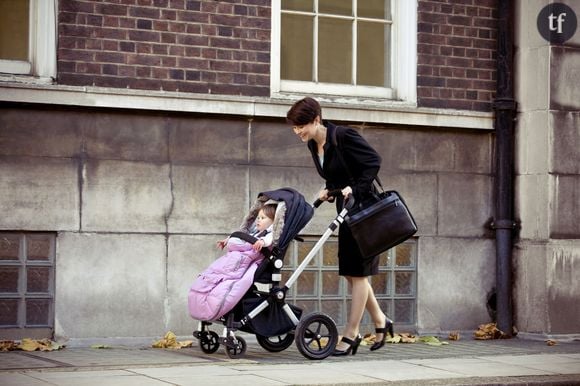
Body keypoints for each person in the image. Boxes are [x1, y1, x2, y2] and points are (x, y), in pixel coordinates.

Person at [286, 97, 394, 356]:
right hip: (346, 211)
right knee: (350, 271)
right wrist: (330, 190)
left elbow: (372, 162)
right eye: (294, 127)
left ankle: (351, 334)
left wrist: (353, 188)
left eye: (301, 125)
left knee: (358, 274)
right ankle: (381, 320)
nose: (298, 131)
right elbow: (338, 173)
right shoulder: (314, 144)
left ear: (316, 120)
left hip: (365, 210)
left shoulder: (343, 136)